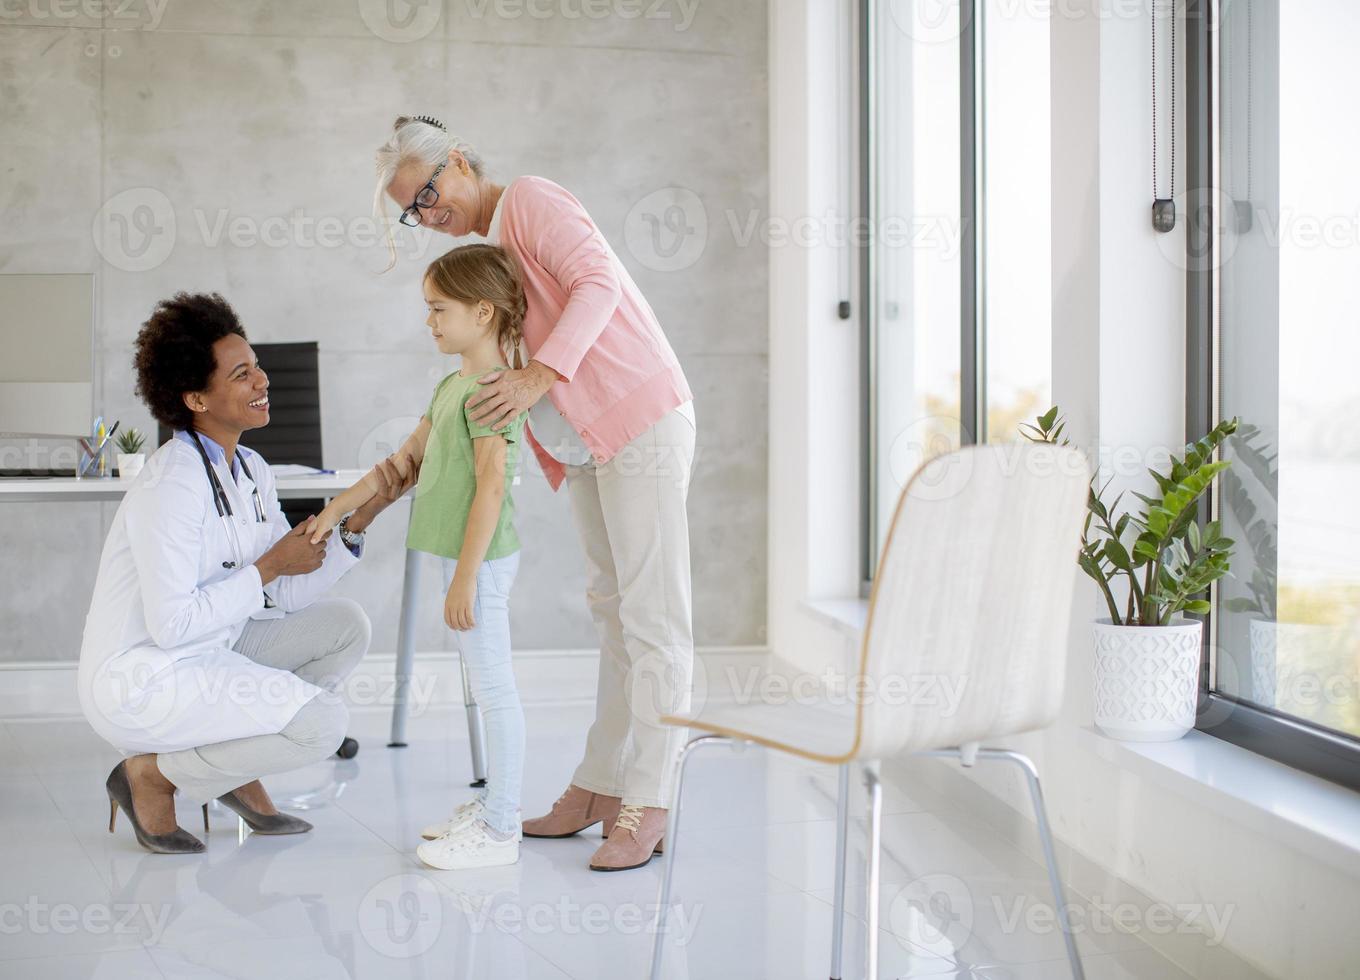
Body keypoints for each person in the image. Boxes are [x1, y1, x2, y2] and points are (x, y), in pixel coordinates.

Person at [372, 114, 697, 872]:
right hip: (594, 440)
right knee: (615, 611)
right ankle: (599, 787)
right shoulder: (493, 248)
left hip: (641, 419)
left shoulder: (531, 200)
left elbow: (599, 284)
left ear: (457, 160)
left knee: (655, 619)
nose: (426, 216)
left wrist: (537, 377)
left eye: (426, 193)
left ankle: (647, 800)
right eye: (411, 211)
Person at [78, 292, 414, 854]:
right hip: (146, 677)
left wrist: (360, 519)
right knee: (321, 725)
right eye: (242, 374)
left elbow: (283, 591)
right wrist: (267, 567)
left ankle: (227, 760)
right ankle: (154, 775)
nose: (262, 380)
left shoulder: (252, 469)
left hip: (214, 649)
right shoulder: (172, 483)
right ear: (195, 398)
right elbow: (173, 625)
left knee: (344, 626)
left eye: (256, 365)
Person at [312, 244, 530, 870]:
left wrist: (464, 580)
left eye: (439, 309)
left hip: (480, 563)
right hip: (465, 562)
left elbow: (491, 486)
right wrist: (336, 510)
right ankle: (494, 812)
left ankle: (500, 829)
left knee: (495, 690)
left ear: (483, 312)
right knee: (486, 683)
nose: (428, 321)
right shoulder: (451, 386)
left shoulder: (491, 392)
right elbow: (401, 467)